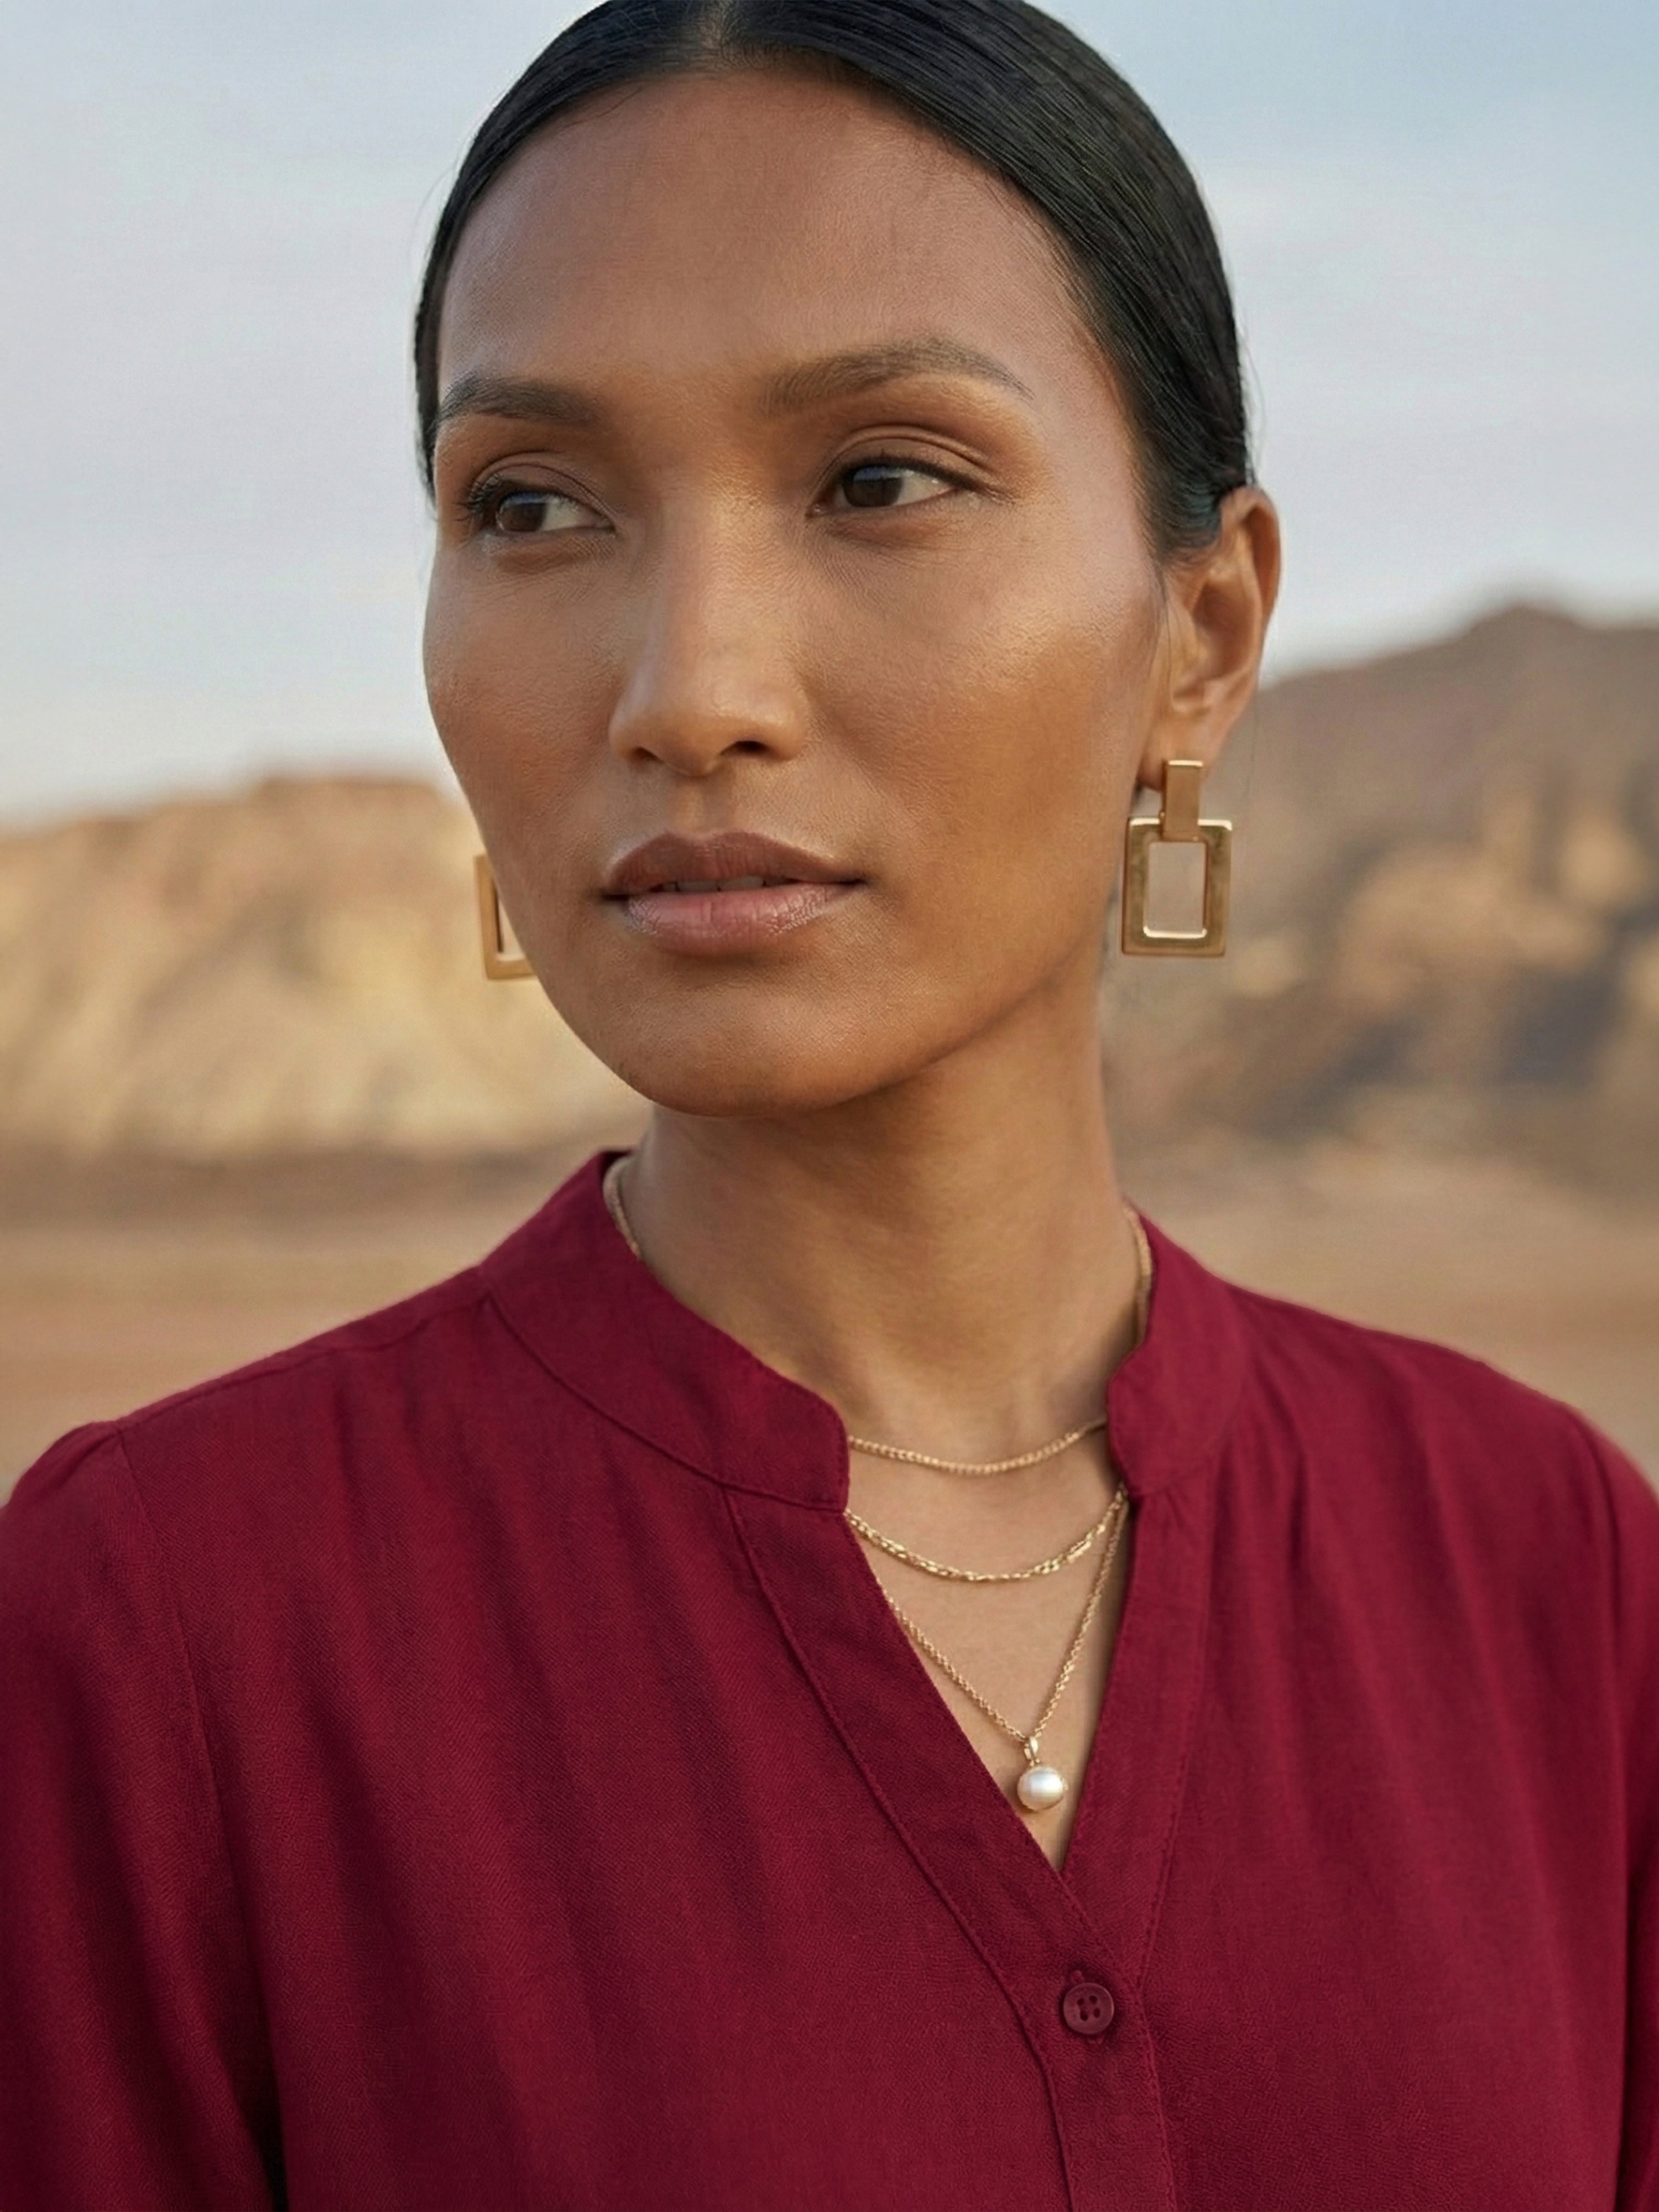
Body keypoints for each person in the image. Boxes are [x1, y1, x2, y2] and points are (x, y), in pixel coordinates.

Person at [2, 1, 1656, 2204]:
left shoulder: (1548, 1568)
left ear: (1205, 633)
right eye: (537, 504)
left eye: (880, 477)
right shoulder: (160, 1639)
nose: (688, 688)